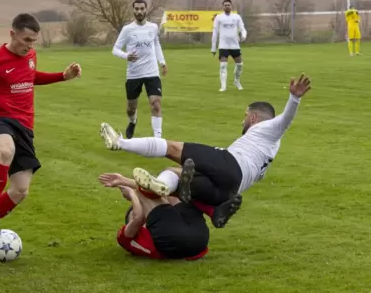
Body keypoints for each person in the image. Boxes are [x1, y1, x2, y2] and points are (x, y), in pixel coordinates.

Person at [100, 74, 312, 227]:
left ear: (253, 117)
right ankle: (163, 185)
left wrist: (294, 99)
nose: (243, 120)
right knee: (178, 174)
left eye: (245, 116)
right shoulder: (267, 149)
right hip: (227, 191)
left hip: (230, 166)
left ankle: (120, 142)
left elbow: (285, 121)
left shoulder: (268, 128)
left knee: (172, 148)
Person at [0, 13, 82, 249]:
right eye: (26, 40)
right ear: (12, 33)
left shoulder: (31, 55)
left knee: (20, 190)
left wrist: (62, 77)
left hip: (25, 126)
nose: (30, 46)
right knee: (5, 151)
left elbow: (29, 77)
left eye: (33, 41)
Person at [98, 159, 210, 260]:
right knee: (161, 193)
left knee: (168, 184)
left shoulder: (160, 224)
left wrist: (124, 181)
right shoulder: (124, 238)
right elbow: (138, 217)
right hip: (177, 241)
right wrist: (132, 194)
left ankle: (178, 181)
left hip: (198, 241)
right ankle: (189, 182)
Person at [112, 0, 167, 139]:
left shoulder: (153, 27)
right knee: (131, 108)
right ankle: (132, 122)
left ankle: (157, 140)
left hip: (152, 72)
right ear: (133, 10)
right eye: (136, 9)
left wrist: (162, 62)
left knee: (156, 104)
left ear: (146, 9)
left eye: (142, 9)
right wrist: (126, 56)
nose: (139, 12)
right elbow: (115, 49)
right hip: (134, 74)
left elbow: (156, 45)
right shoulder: (127, 30)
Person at [211, 0, 247, 92]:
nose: (227, 6)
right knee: (223, 65)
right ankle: (223, 86)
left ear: (231, 6)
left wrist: (244, 35)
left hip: (234, 45)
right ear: (223, 6)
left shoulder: (236, 17)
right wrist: (213, 47)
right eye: (225, 5)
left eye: (229, 5)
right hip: (223, 45)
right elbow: (215, 32)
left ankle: (237, 81)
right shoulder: (219, 17)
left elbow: (242, 28)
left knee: (239, 64)